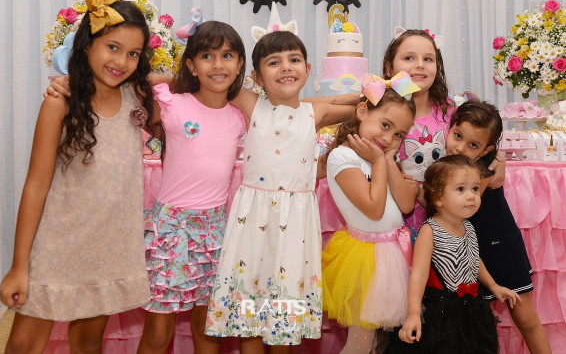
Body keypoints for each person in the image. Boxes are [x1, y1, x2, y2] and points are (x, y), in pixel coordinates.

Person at [0, 0, 155, 354]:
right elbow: (36, 186)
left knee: (88, 341)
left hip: (108, 246)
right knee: (23, 344)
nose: (122, 61)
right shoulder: (61, 102)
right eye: (112, 47)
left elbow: (184, 82)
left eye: (133, 53)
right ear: (86, 45)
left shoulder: (136, 95)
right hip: (58, 245)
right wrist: (19, 266)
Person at [204, 31, 359, 353]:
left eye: (294, 60)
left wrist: (377, 90)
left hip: (295, 225)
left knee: (283, 316)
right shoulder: (252, 104)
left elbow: (362, 106)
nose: (286, 67)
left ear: (308, 69)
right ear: (257, 77)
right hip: (253, 221)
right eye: (274, 62)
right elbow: (212, 79)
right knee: (248, 313)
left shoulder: (315, 114)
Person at [135, 19, 249, 354]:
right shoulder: (173, 103)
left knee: (208, 331)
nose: (218, 64)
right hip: (171, 231)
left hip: (215, 233)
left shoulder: (239, 116)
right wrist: (180, 79)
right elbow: (137, 80)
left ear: (240, 64)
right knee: (158, 334)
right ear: (191, 64)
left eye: (227, 56)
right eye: (207, 56)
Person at [322, 72, 419, 354]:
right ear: (363, 112)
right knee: (360, 343)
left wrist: (387, 161)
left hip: (391, 254)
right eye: (385, 125)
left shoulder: (383, 157)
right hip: (363, 259)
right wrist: (378, 162)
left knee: (377, 341)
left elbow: (406, 205)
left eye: (398, 134)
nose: (388, 138)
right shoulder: (343, 157)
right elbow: (374, 210)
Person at [445, 100, 552, 354]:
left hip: (499, 245)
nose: (460, 147)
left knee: (525, 316)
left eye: (473, 145)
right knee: (477, 323)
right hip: (469, 249)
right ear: (450, 128)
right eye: (457, 136)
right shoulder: (449, 162)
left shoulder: (483, 169)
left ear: (487, 149)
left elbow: (458, 208)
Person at [388, 154, 520, 354]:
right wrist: (414, 314)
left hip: (472, 310)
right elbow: (419, 275)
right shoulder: (430, 230)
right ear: (438, 197)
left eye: (475, 189)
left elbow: (474, 260)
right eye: (461, 189)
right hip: (442, 314)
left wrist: (494, 286)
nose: (471, 196)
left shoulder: (468, 226)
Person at [382, 28, 504, 233]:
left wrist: (498, 156)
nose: (419, 64)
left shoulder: (449, 109)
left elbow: (477, 138)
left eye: (428, 59)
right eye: (409, 58)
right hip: (394, 224)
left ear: (437, 66)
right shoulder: (381, 113)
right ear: (389, 67)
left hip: (443, 226)